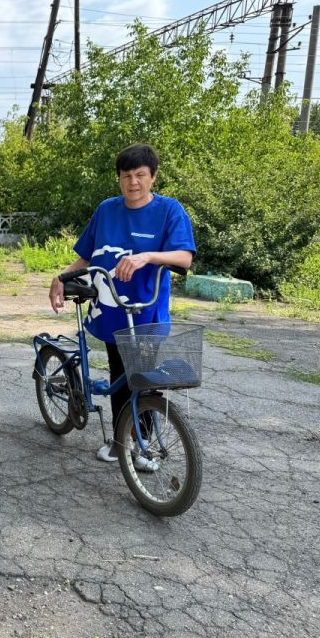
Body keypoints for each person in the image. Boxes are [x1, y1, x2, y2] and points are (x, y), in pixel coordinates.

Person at [49, 143, 196, 472]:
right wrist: (62, 277)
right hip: (109, 307)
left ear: (153, 177)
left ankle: (138, 445)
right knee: (120, 372)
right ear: (119, 178)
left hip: (145, 310)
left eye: (140, 175)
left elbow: (184, 257)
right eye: (126, 176)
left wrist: (147, 256)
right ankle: (121, 443)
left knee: (141, 377)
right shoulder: (106, 209)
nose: (133, 182)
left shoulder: (169, 211)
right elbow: (87, 255)